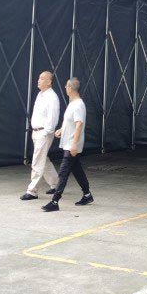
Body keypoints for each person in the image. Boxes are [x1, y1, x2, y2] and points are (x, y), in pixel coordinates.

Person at [42, 77, 93, 212]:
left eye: (66, 86)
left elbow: (79, 125)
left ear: (70, 88)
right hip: (69, 143)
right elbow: (70, 123)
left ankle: (55, 201)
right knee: (77, 170)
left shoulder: (78, 105)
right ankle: (87, 195)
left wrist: (74, 145)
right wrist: (61, 130)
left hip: (71, 144)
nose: (65, 88)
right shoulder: (72, 103)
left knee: (63, 173)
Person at [20, 70, 60, 201]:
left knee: (37, 161)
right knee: (43, 159)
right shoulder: (40, 94)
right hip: (36, 131)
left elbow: (53, 117)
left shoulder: (52, 97)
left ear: (49, 82)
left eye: (42, 78)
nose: (38, 80)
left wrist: (46, 132)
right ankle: (56, 184)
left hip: (43, 133)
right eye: (39, 78)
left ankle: (32, 191)